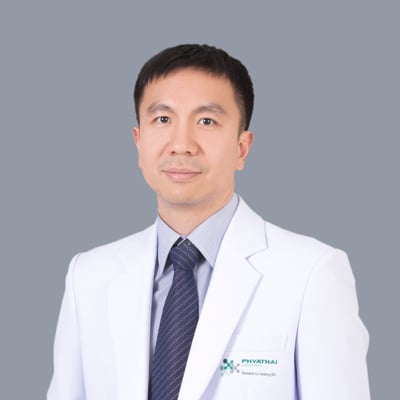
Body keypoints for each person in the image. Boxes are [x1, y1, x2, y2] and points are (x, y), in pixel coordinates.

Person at [47, 44, 370, 399]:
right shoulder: (88, 276)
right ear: (138, 141)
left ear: (242, 148)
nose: (181, 145)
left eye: (206, 121)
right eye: (163, 119)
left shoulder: (311, 274)